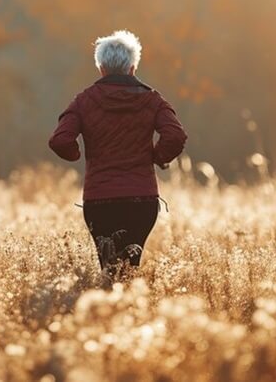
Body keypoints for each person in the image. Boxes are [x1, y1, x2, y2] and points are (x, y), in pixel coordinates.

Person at [49, 30, 188, 279]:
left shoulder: (84, 101)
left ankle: (110, 309)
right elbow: (175, 136)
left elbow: (60, 140)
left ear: (101, 68)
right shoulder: (152, 100)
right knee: (130, 268)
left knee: (109, 268)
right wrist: (156, 157)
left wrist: (77, 154)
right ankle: (129, 309)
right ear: (133, 67)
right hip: (141, 200)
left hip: (99, 200)